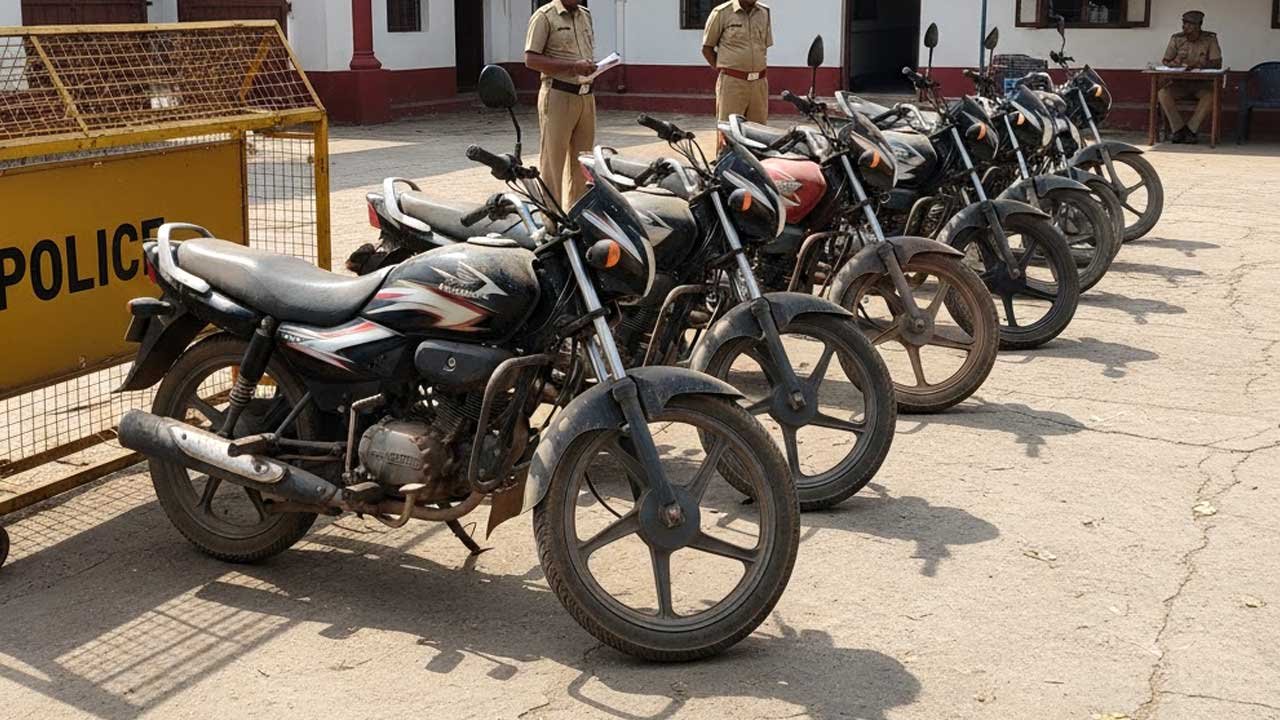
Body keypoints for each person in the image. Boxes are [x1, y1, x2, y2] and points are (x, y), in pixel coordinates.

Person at [525, 0, 597, 209]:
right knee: (553, 163)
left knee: (583, 162)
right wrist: (573, 66)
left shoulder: (585, 15)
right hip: (558, 94)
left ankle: (577, 215)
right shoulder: (544, 17)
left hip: (585, 96)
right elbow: (531, 60)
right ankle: (552, 218)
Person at [702, 0, 773, 147]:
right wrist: (727, 70)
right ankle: (726, 161)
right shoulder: (721, 13)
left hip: (759, 83)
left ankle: (756, 162)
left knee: (759, 133)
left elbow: (764, 46)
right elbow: (707, 48)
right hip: (732, 83)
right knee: (729, 133)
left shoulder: (764, 12)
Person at [1157, 10, 1222, 145]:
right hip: (1180, 83)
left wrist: (1200, 65)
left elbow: (1217, 63)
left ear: (1199, 25)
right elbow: (1166, 60)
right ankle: (1178, 129)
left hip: (1202, 84)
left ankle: (1191, 130)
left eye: (1190, 25)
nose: (1186, 27)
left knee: (1210, 96)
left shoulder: (1210, 39)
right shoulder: (1177, 39)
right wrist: (1175, 63)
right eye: (1184, 24)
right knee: (1162, 93)